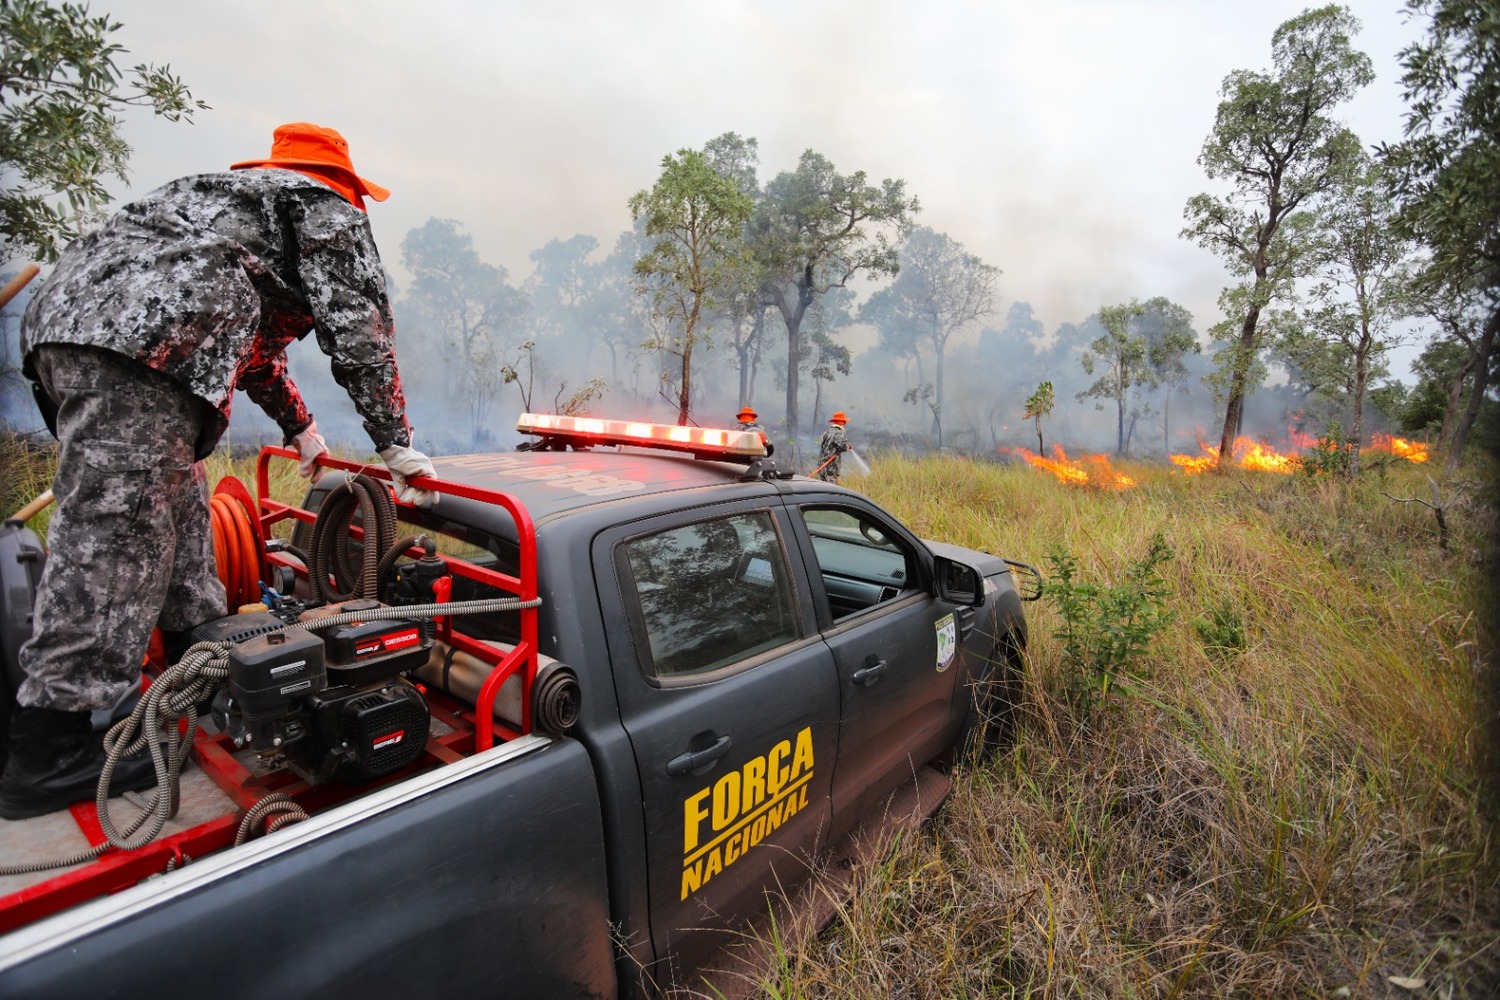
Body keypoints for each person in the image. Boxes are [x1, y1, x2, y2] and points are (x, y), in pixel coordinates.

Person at [0, 122, 435, 820]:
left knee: (177, 498)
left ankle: (194, 659)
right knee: (118, 533)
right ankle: (49, 747)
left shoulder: (233, 208)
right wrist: (396, 443)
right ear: (346, 186)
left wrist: (302, 428)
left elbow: (253, 352)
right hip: (134, 345)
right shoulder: (323, 205)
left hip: (77, 328)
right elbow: (359, 326)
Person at [815, 411, 851, 483]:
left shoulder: (827, 432)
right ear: (843, 422)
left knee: (822, 487)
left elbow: (822, 444)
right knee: (831, 489)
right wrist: (848, 446)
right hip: (831, 467)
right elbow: (842, 446)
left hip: (822, 466)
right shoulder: (839, 433)